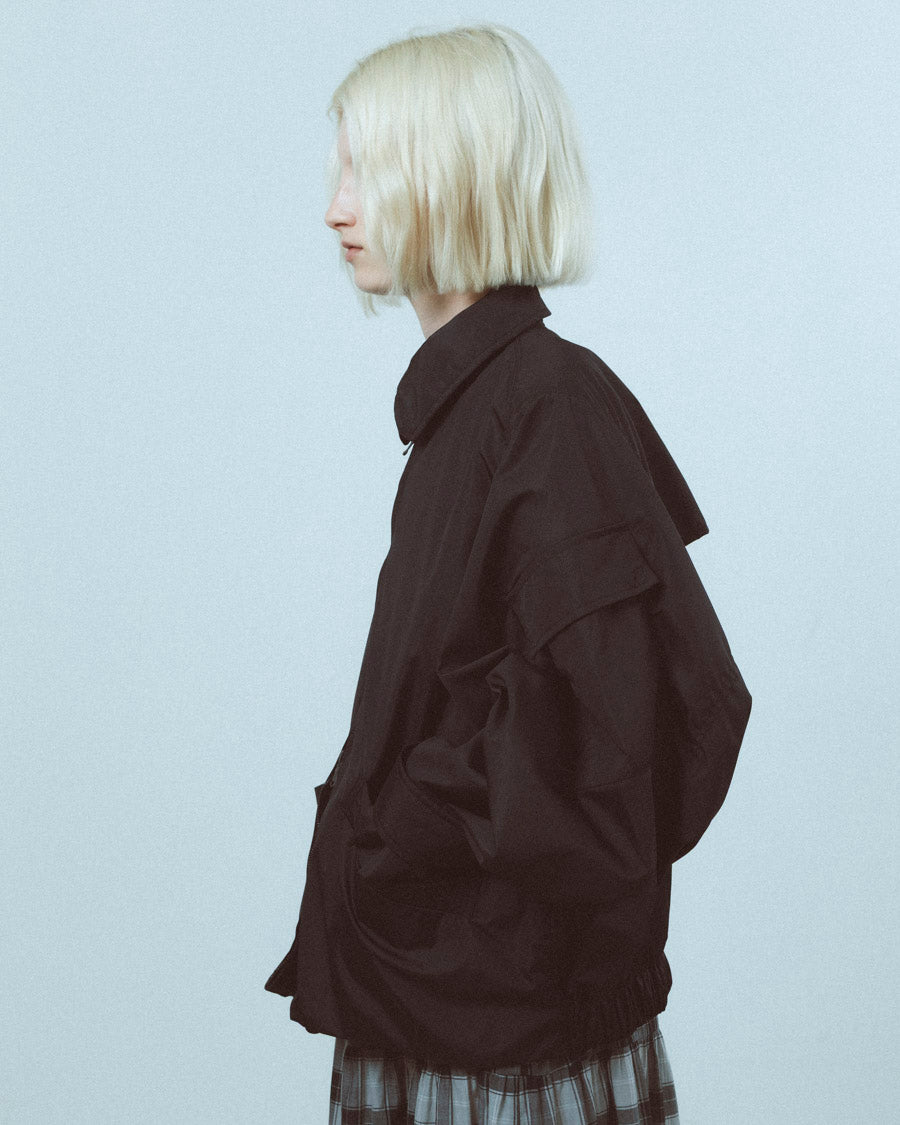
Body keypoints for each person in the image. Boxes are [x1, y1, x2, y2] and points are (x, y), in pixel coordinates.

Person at [265, 22, 751, 1125]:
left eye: (367, 173)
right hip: (435, 997)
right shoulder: (475, 409)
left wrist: (400, 829)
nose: (335, 209)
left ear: (459, 179)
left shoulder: (549, 407)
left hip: (505, 1034)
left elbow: (624, 732)